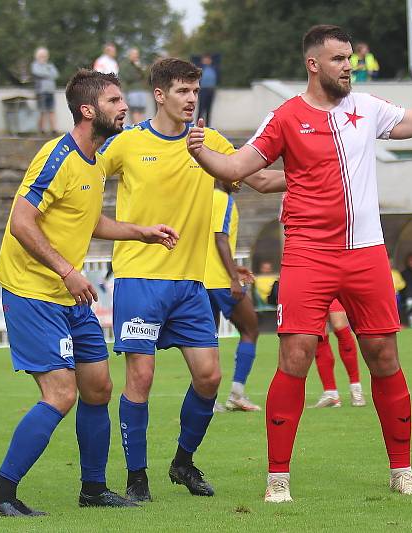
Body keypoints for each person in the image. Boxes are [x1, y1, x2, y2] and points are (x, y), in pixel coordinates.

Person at [186, 24, 412, 502]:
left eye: (350, 58)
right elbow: (235, 169)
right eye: (338, 59)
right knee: (295, 356)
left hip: (367, 253)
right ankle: (278, 478)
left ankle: (402, 470)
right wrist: (199, 150)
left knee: (385, 357)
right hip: (308, 255)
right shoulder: (285, 117)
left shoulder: (367, 108)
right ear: (313, 64)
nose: (348, 66)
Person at [0, 68, 180, 517]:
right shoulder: (58, 155)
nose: (124, 107)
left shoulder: (94, 161)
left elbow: (89, 222)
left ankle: (93, 489)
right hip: (33, 292)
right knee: (61, 393)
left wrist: (141, 233)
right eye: (114, 102)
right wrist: (68, 270)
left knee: (98, 386)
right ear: (89, 111)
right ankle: (0, 496)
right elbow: (21, 221)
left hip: (68, 295)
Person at [95, 57, 280, 503]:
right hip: (140, 278)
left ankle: (182, 461)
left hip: (191, 284)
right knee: (140, 379)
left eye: (195, 91)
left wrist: (313, 174)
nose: (191, 99)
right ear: (160, 95)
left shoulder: (208, 141)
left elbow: (255, 177)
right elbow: (81, 183)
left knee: (210, 377)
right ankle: (136, 477)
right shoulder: (127, 143)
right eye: (182, 91)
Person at [205, 180, 262, 412]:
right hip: (220, 281)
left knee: (207, 340)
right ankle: (237, 394)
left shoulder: (202, 198)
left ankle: (208, 401)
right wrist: (232, 277)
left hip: (200, 279)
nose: (239, 180)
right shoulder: (223, 199)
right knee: (251, 330)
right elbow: (220, 238)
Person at [311, 299, 366, 408]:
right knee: (320, 333)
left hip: (334, 286)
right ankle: (330, 393)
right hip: (312, 287)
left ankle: (356, 389)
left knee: (340, 326)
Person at [31, 47, 59, 134]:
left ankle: (54, 129)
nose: (43, 57)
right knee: (42, 111)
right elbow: (37, 73)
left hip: (50, 91)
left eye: (44, 55)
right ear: (37, 56)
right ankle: (41, 130)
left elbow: (56, 74)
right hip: (41, 91)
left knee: (51, 110)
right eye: (41, 55)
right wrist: (48, 74)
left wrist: (47, 73)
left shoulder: (50, 65)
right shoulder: (35, 65)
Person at [119, 48, 147, 124]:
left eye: (137, 54)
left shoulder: (138, 64)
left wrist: (139, 68)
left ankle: (142, 126)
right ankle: (137, 127)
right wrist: (137, 75)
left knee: (141, 110)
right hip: (132, 90)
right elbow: (127, 77)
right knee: (135, 110)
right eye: (134, 54)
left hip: (141, 89)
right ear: (130, 55)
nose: (136, 56)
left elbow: (144, 76)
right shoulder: (126, 64)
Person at [197, 54, 217, 125]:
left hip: (211, 90)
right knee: (201, 109)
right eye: (205, 59)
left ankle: (208, 126)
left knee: (209, 109)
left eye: (208, 59)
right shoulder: (200, 68)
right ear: (203, 60)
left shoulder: (213, 68)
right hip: (203, 90)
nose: (207, 61)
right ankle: (198, 125)